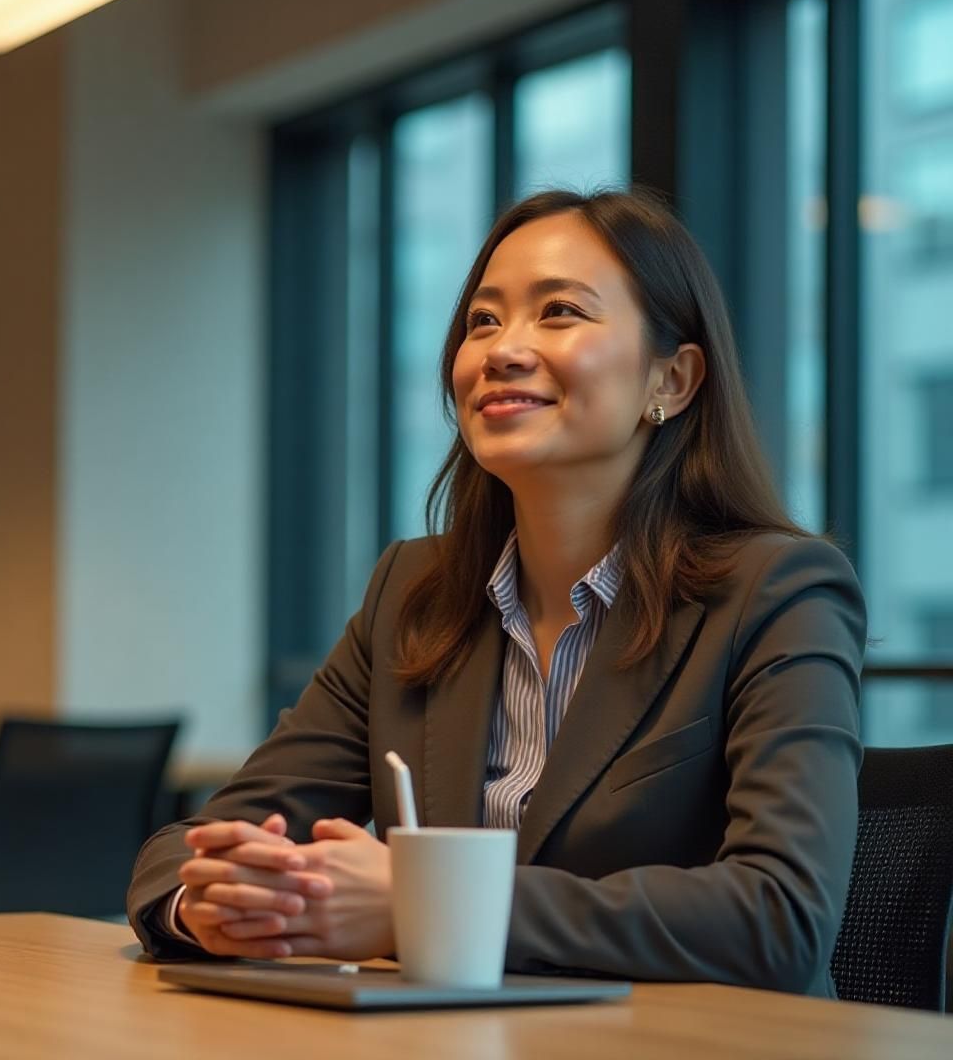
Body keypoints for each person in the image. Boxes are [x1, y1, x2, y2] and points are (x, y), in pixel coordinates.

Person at [127, 188, 865, 997]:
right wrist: (218, 902)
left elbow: (782, 914)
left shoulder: (776, 591)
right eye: (483, 321)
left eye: (559, 313)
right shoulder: (413, 595)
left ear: (673, 380)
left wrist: (425, 906)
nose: (502, 350)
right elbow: (189, 848)